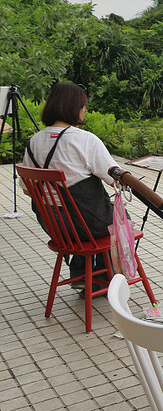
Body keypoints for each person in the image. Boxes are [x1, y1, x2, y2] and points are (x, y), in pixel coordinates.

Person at [21, 82, 120, 284]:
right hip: (88, 226)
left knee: (92, 219)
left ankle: (80, 273)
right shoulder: (86, 140)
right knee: (118, 217)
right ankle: (100, 278)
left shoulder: (34, 142)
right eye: (83, 106)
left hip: (56, 228)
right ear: (75, 108)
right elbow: (114, 179)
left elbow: (27, 191)